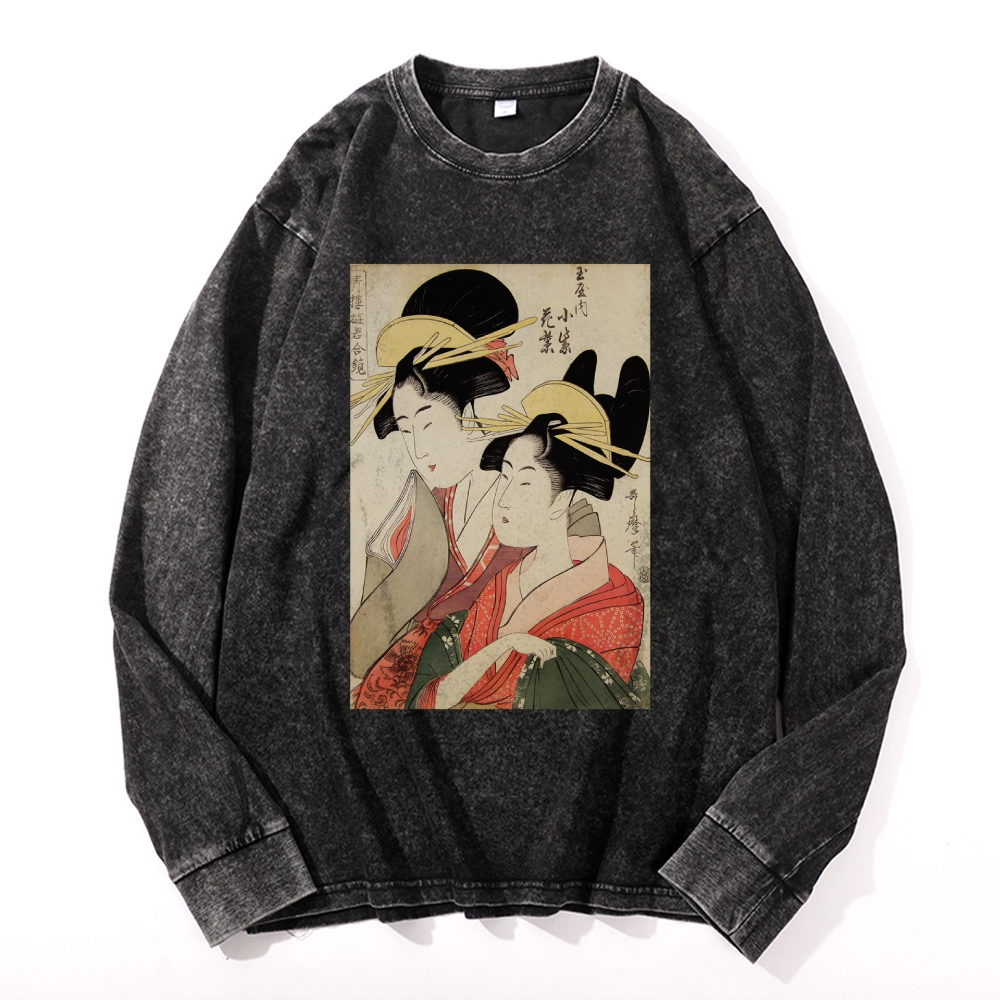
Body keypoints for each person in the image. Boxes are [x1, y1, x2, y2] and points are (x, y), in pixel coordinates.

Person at [354, 349, 651, 710]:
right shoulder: (498, 584)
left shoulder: (611, 603)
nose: (504, 498)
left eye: (523, 483)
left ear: (562, 501)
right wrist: (501, 647)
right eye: (504, 477)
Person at [349, 268, 602, 684]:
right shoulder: (417, 508)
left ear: (471, 406)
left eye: (428, 423)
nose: (418, 449)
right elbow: (367, 637)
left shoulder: (549, 488)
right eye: (407, 431)